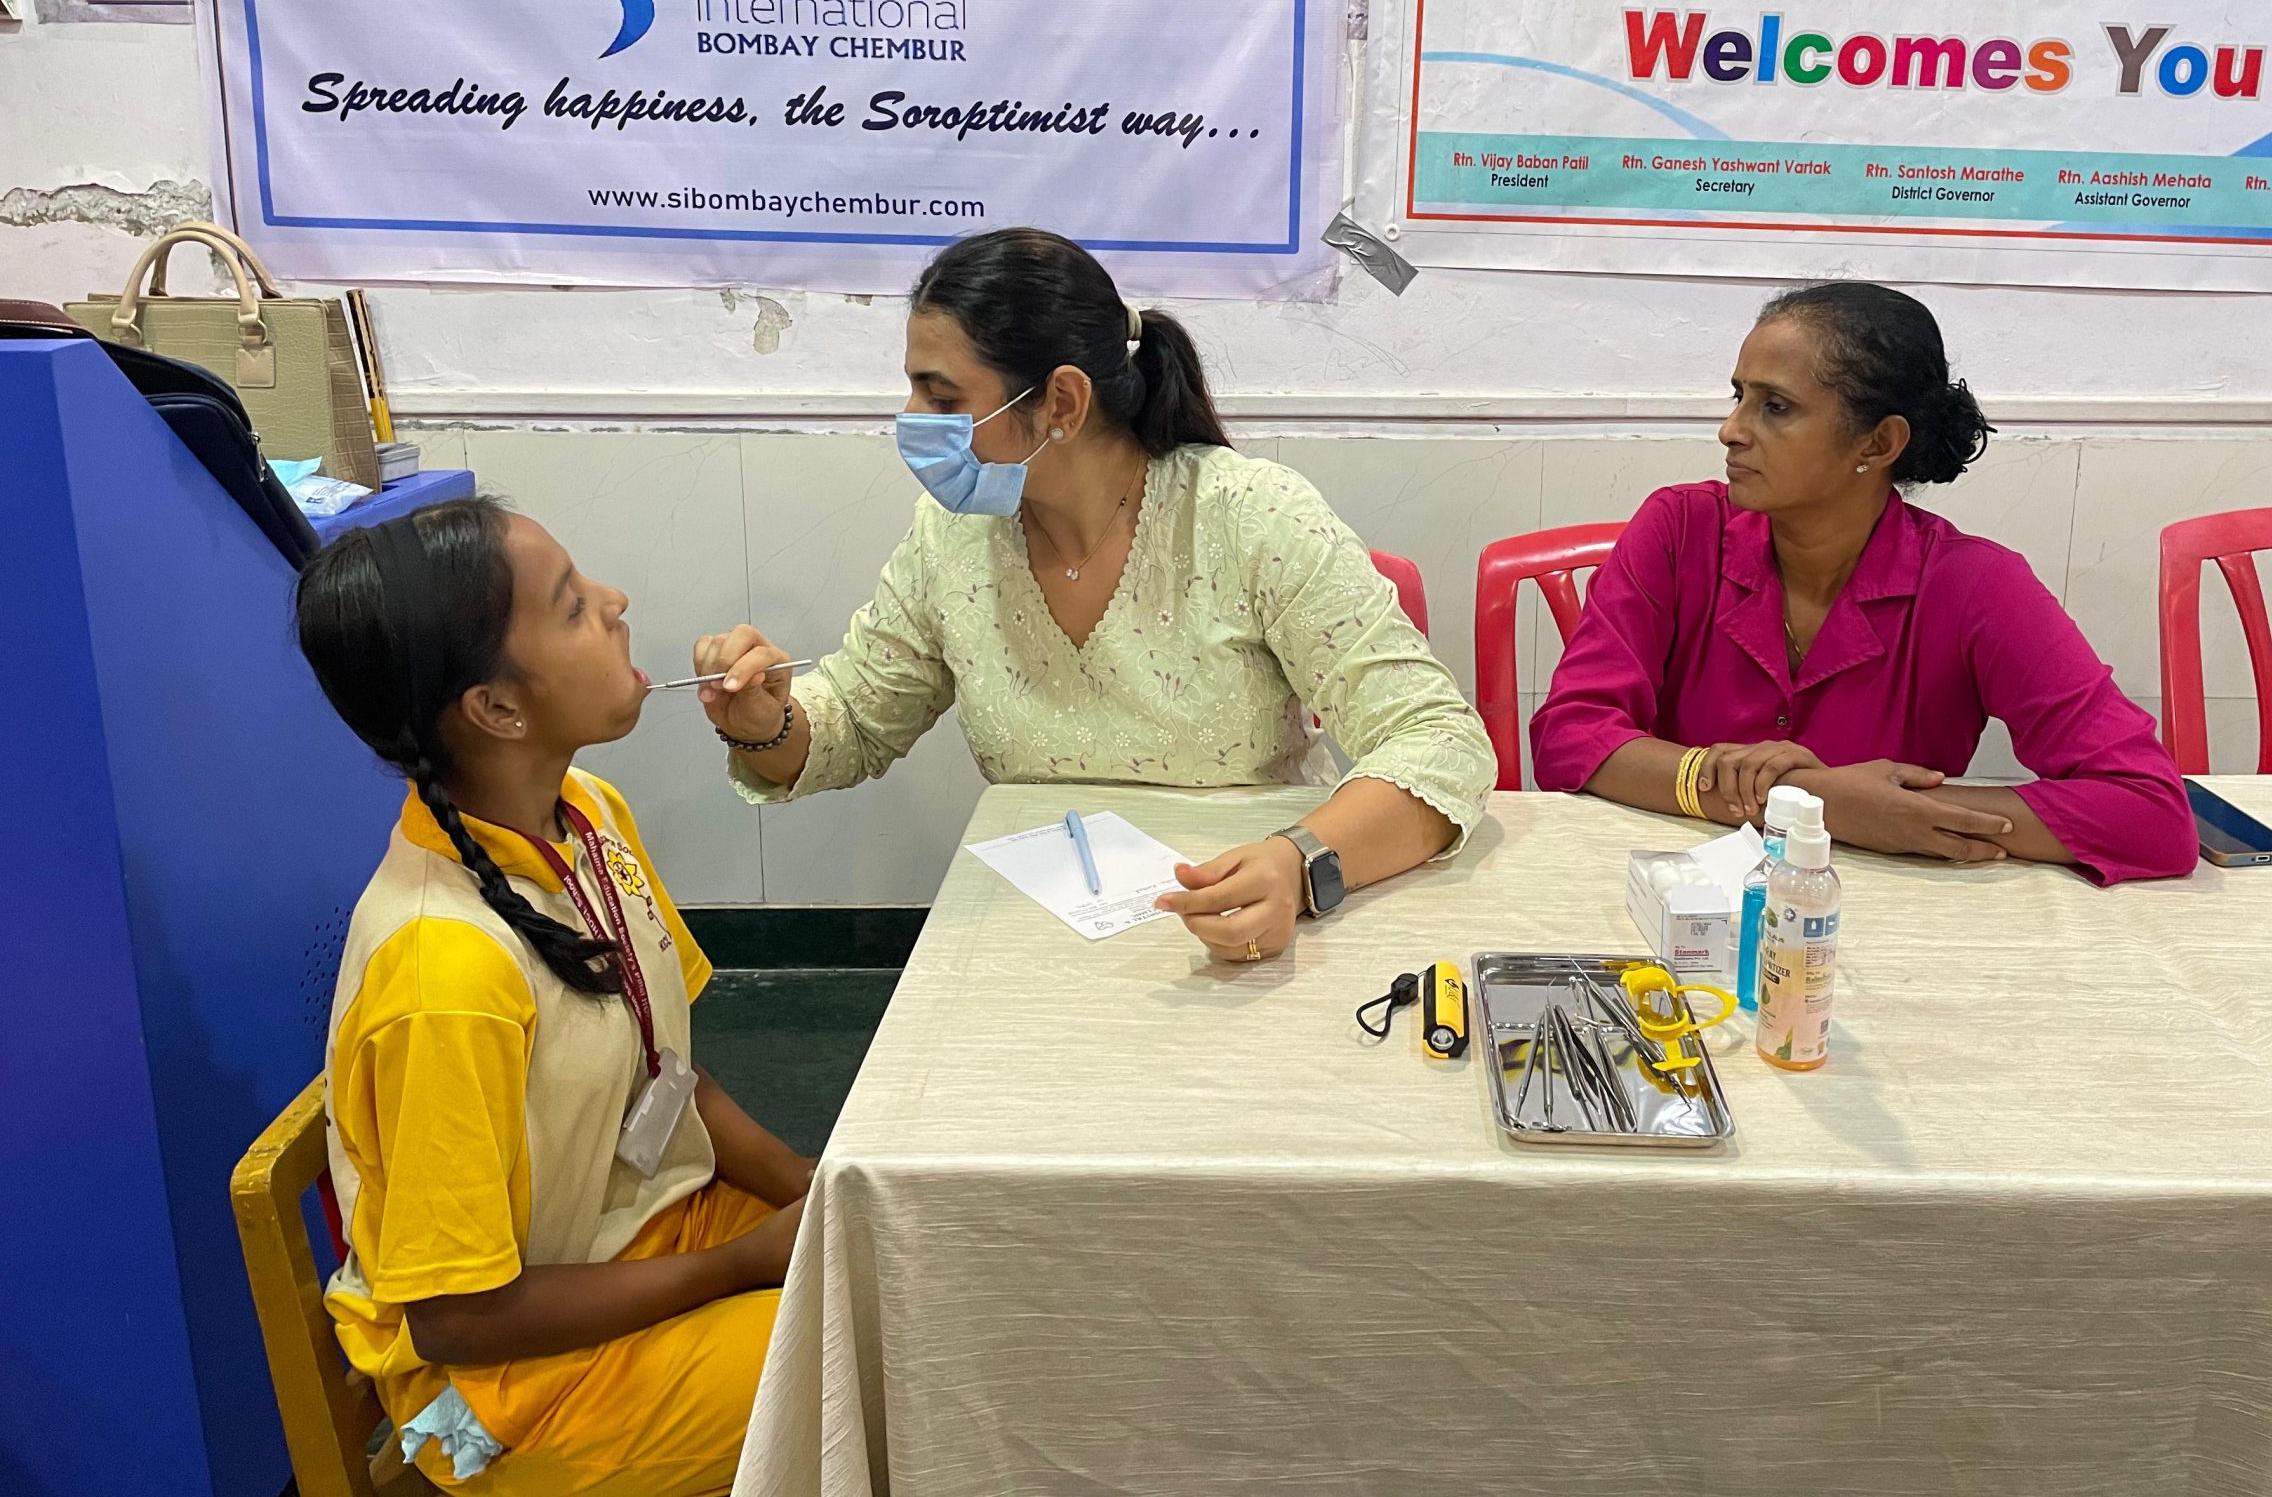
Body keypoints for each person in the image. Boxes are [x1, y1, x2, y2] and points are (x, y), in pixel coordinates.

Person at [694, 227, 1496, 961]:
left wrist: (1299, 862)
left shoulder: (1248, 517)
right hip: (1047, 939)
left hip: (1245, 927)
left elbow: (1439, 741)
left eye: (942, 399)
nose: (910, 420)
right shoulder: (953, 539)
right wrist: (767, 722)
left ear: (1062, 404)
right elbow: (857, 720)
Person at [296, 498, 811, 1496]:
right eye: (574, 607)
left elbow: (670, 1077)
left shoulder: (586, 814)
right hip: (507, 1386)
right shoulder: (444, 973)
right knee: (875, 1360)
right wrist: (742, 1264)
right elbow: (459, 1319)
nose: (617, 603)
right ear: (496, 710)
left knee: (910, 1258)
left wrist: (810, 1186)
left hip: (646, 1234)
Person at [1531, 282, 2193, 884]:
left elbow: (2151, 814)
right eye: (1740, 398)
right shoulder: (1680, 530)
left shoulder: (1975, 586)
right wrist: (1808, 802)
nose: (1731, 431)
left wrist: (1892, 814)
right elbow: (1569, 736)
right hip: (1675, 899)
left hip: (1889, 919)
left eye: (1775, 407)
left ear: (1877, 444)